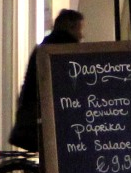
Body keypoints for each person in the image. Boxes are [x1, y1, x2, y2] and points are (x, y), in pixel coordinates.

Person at [8, 9, 84, 150]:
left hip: (33, 110)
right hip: (51, 114)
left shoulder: (44, 46)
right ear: (71, 27)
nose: (82, 35)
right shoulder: (66, 49)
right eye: (80, 29)